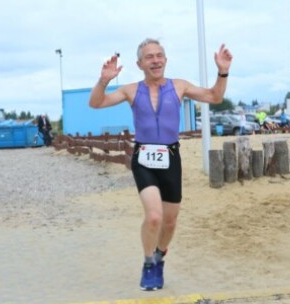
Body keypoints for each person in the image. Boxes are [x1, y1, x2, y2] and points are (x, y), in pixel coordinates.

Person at [89, 38, 232, 291]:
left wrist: (223, 71)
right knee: (154, 216)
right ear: (139, 63)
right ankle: (147, 264)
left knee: (169, 222)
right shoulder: (131, 90)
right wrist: (104, 81)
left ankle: (159, 256)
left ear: (165, 59)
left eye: (159, 55)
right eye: (149, 57)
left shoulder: (179, 86)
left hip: (171, 158)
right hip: (143, 158)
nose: (155, 60)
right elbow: (96, 103)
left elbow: (215, 96)